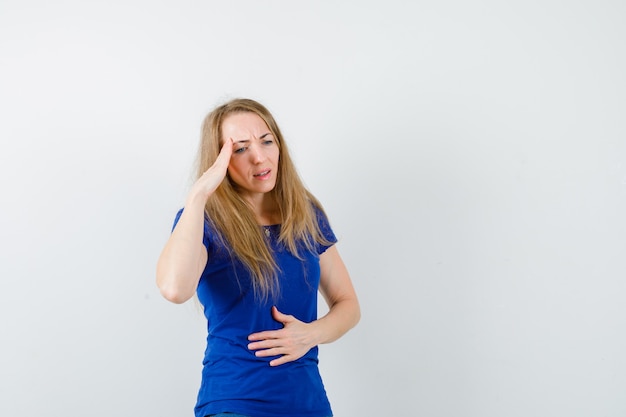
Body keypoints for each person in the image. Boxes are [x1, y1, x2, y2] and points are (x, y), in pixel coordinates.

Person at [156, 98, 360, 417]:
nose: (259, 157)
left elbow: (348, 304)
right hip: (234, 401)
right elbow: (174, 289)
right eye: (239, 149)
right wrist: (197, 196)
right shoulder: (204, 221)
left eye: (266, 141)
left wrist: (311, 333)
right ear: (218, 161)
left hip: (308, 403)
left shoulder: (305, 214)